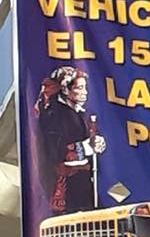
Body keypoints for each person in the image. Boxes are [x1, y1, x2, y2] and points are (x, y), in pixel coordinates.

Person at [34, 66, 106, 215]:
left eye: (85, 88)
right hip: (65, 189)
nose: (85, 92)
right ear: (66, 90)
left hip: (82, 186)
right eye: (80, 88)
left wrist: (96, 145)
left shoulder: (77, 114)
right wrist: (85, 148)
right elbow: (54, 151)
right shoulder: (54, 115)